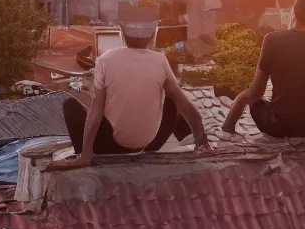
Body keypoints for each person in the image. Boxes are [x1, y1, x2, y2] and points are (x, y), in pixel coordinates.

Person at [50, 21, 211, 171]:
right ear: (152, 35)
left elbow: (96, 111)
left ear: (121, 33)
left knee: (70, 105)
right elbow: (185, 105)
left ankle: (83, 154)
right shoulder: (160, 59)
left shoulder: (104, 60)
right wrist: (202, 141)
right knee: (173, 97)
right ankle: (190, 138)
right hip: (151, 143)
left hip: (109, 147)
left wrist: (86, 155)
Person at [222, 0, 305, 140]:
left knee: (252, 99)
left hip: (277, 125)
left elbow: (255, 92)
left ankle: (227, 130)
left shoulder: (272, 40)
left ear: (294, 12)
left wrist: (235, 109)